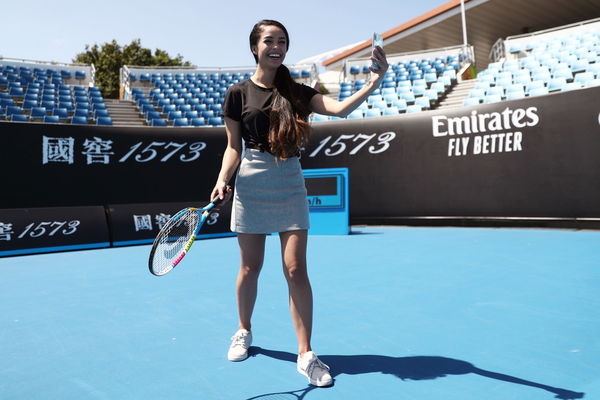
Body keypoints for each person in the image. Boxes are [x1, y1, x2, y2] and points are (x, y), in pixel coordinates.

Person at [211, 19, 388, 387]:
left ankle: (306, 353)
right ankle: (243, 330)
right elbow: (233, 147)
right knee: (250, 268)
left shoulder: (297, 92)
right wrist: (221, 180)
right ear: (255, 47)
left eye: (283, 41)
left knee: (295, 270)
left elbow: (339, 109)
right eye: (269, 41)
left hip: (289, 180)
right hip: (251, 182)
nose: (277, 47)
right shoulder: (237, 94)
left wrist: (374, 82)